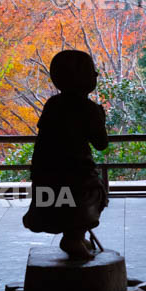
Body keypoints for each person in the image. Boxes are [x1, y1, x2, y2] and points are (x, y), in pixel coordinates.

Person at [23, 50, 109, 260]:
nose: (96, 75)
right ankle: (73, 238)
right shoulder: (88, 109)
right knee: (91, 197)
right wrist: (100, 118)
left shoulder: (53, 104)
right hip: (76, 172)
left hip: (46, 170)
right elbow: (101, 144)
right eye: (91, 71)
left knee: (62, 201)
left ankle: (75, 237)